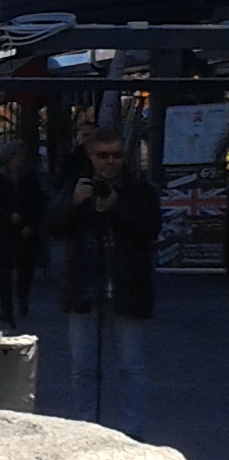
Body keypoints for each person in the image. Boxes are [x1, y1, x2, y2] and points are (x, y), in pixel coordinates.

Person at [47, 125, 161, 439]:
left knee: (131, 364)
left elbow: (149, 229)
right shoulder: (75, 187)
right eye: (103, 155)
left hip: (126, 289)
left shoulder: (140, 191)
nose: (110, 162)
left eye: (116, 155)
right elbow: (52, 227)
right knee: (82, 366)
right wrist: (74, 203)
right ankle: (86, 426)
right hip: (84, 288)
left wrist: (115, 206)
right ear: (91, 156)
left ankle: (133, 430)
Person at [0, 140, 45, 329]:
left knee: (26, 269)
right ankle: (6, 310)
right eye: (18, 156)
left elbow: (38, 203)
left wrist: (30, 224)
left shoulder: (30, 178)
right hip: (4, 231)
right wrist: (7, 217)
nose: (22, 159)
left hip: (25, 230)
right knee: (3, 272)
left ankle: (23, 298)